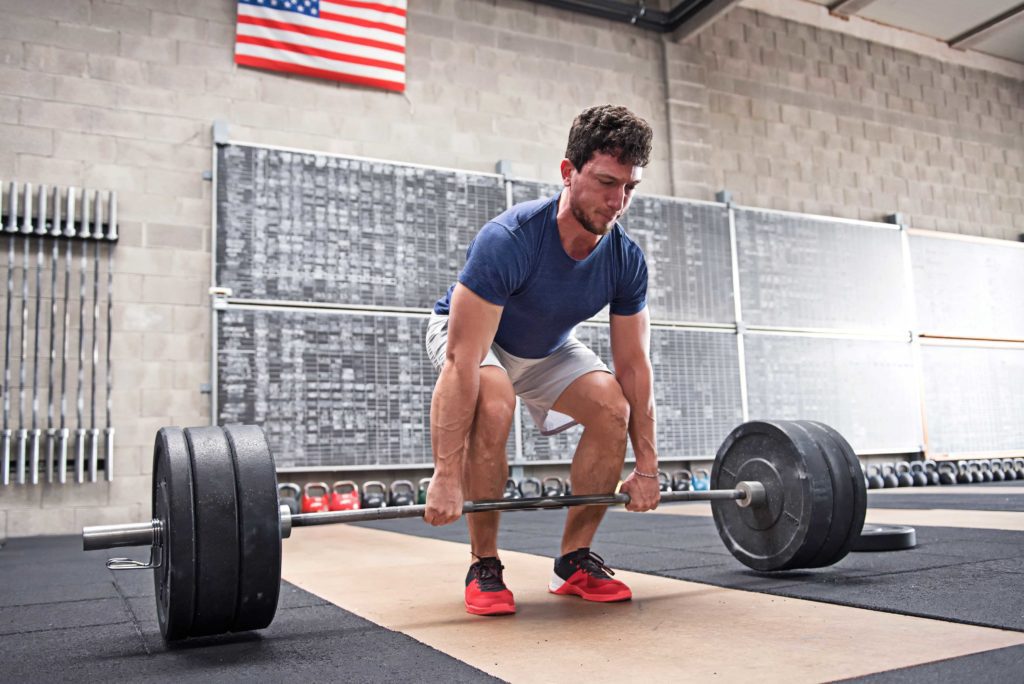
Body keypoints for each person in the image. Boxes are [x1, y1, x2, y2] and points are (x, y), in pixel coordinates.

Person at [423, 104, 661, 616]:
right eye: (605, 182)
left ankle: (574, 562)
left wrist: (646, 466)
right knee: (494, 400)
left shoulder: (626, 259)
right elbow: (462, 361)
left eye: (629, 187)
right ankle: (484, 563)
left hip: (547, 347)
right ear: (568, 171)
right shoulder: (510, 239)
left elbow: (634, 367)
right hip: (474, 339)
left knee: (612, 407)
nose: (617, 202)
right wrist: (445, 474)